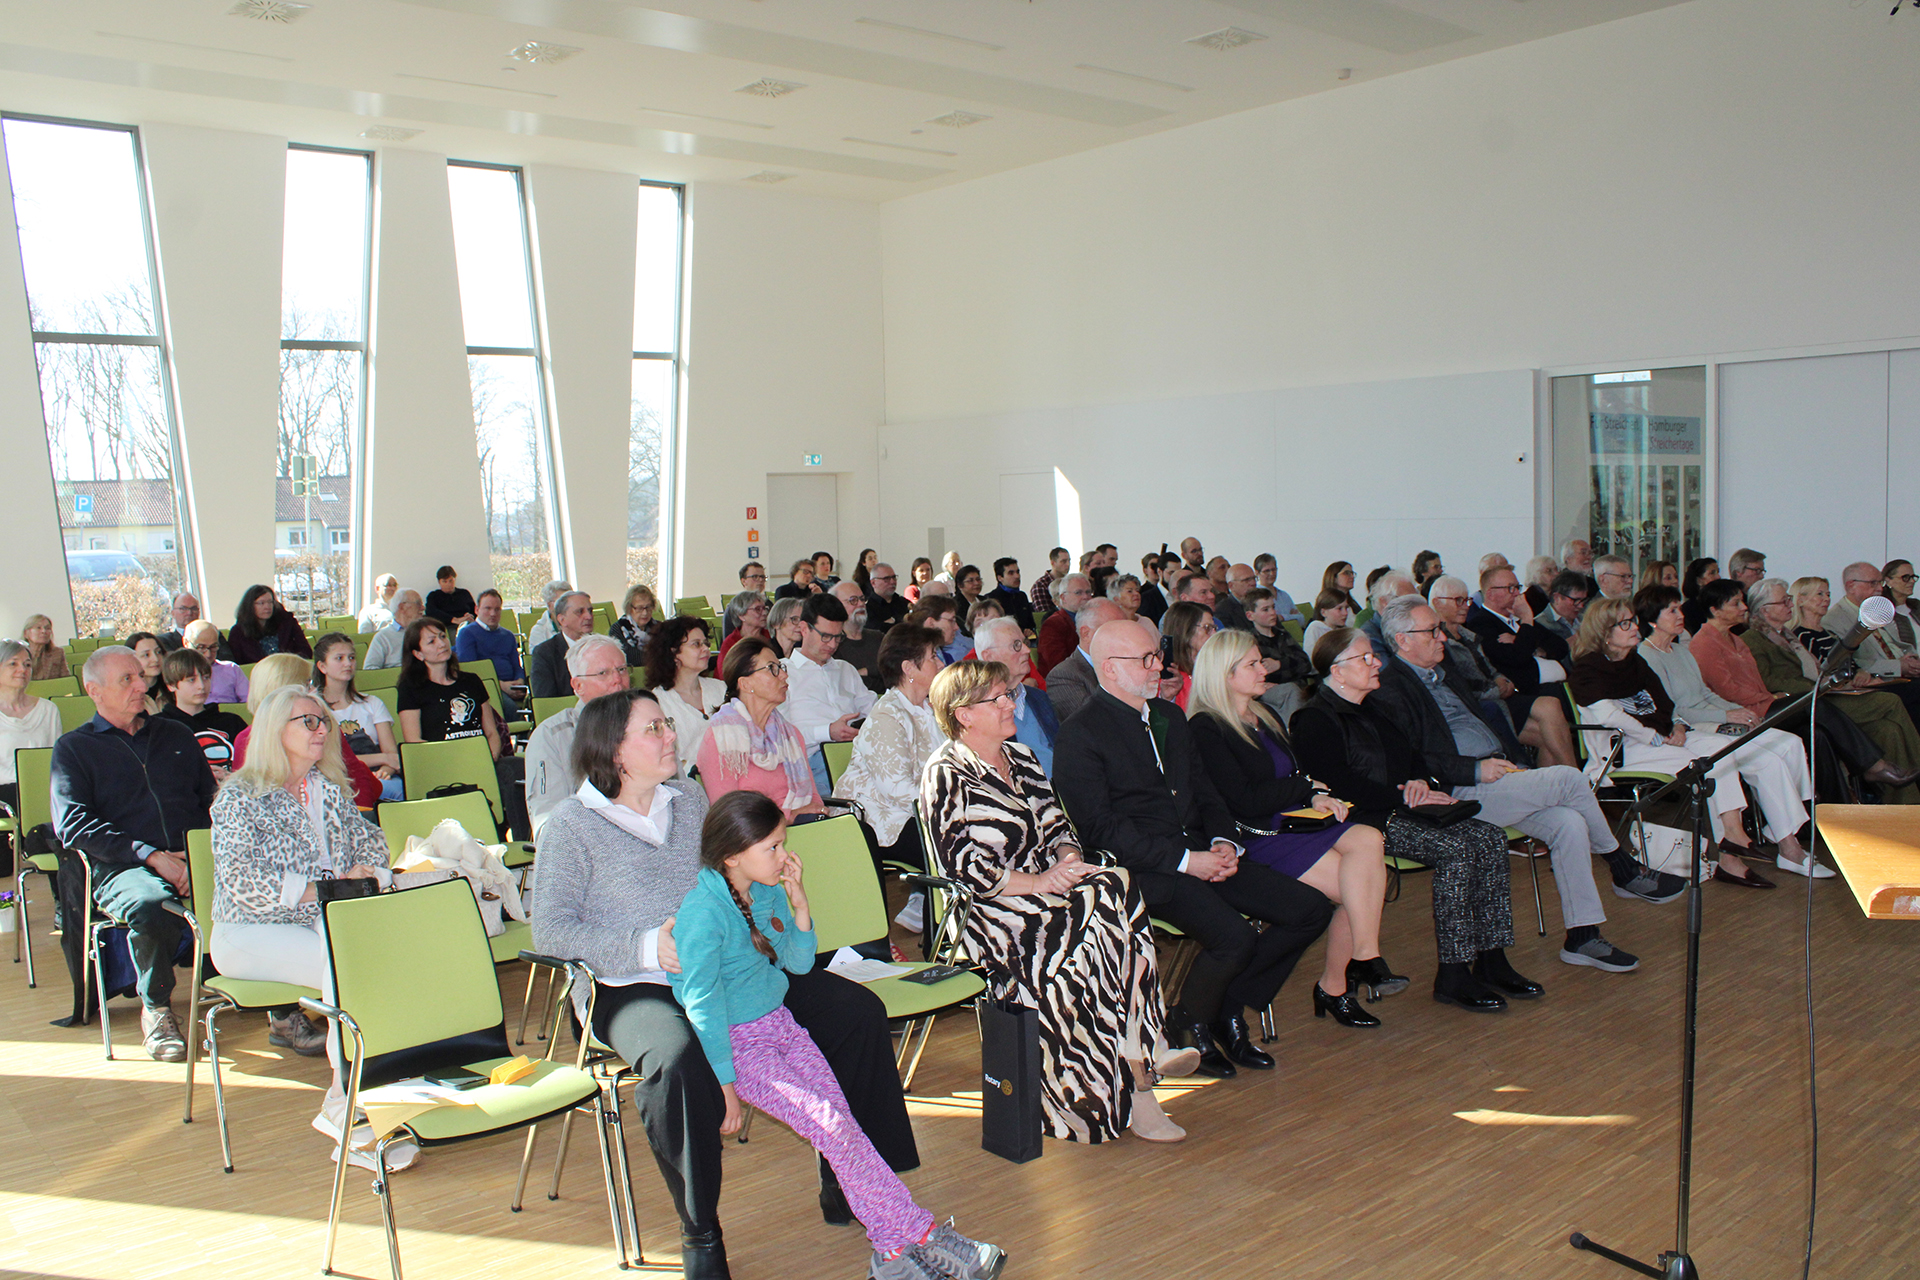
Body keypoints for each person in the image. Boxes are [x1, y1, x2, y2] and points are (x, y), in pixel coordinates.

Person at [531, 690, 922, 1279]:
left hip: (731, 964)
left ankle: (857, 1182)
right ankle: (701, 1233)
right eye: (654, 729)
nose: (670, 735)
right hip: (632, 983)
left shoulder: (688, 798)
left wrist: (780, 908)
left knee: (854, 1012)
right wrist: (645, 945)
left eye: (667, 723)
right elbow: (552, 930)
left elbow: (735, 873)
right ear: (613, 751)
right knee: (677, 1059)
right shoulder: (570, 826)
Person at [670, 791, 1003, 1279]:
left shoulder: (764, 891)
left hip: (780, 1025)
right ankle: (922, 1235)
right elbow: (700, 1005)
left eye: (783, 844)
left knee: (842, 1128)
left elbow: (798, 963)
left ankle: (892, 1254)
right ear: (732, 855)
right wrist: (724, 1084)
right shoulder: (703, 913)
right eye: (772, 848)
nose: (784, 856)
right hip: (740, 1045)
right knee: (831, 1125)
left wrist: (800, 904)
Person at [921, 660, 1199, 1142]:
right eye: (998, 698)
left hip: (1051, 892)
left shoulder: (1022, 758)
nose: (1011, 704)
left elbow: (1057, 825)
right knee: (1103, 924)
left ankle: (1140, 1061)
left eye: (1009, 694)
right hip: (994, 908)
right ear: (964, 714)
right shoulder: (945, 773)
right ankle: (1144, 1061)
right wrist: (1039, 882)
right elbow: (964, 867)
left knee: (1114, 884)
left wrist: (1067, 860)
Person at [1053, 620, 1335, 1078]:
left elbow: (1205, 791)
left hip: (1203, 851)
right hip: (1147, 869)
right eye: (1145, 659)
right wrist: (1187, 861)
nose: (1158, 666)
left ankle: (1220, 1007)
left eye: (1157, 655)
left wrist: (1224, 842)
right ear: (1109, 668)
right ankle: (1191, 1023)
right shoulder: (1080, 733)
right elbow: (1101, 829)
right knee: (1234, 938)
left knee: (1309, 909)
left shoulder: (1169, 716)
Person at [1370, 596, 1677, 969]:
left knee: (1569, 822)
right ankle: (1621, 865)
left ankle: (1582, 936)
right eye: (1432, 631)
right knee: (1569, 777)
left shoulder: (1443, 671)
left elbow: (1486, 718)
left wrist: (1509, 760)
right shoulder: (1390, 689)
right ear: (1402, 640)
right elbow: (1410, 758)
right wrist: (1474, 770)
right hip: (1456, 790)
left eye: (1439, 630)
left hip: (1496, 775)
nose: (1443, 638)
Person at [208, 684, 406, 1170]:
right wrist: (325, 887)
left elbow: (371, 843)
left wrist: (363, 872)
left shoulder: (327, 788)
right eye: (309, 722)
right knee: (346, 971)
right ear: (276, 730)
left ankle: (361, 1101)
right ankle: (350, 1109)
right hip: (247, 930)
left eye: (324, 722)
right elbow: (242, 882)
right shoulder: (240, 797)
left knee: (375, 962)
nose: (322, 730)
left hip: (320, 923)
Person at [1289, 629, 1538, 1012]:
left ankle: (1492, 959)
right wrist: (1404, 795)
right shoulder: (1313, 719)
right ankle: (1454, 972)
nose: (1376, 663)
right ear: (1337, 671)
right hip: (1361, 821)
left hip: (1401, 807)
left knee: (1489, 839)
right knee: (1457, 850)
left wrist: (1422, 782)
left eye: (1373, 656)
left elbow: (1413, 756)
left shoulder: (1376, 706)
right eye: (1365, 658)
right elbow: (1340, 785)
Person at [1186, 631, 1401, 1027]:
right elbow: (1245, 800)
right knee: (1361, 890)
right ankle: (1340, 982)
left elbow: (1297, 774)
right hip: (1258, 835)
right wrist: (1305, 788)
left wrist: (1315, 795)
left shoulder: (1262, 714)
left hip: (1292, 822)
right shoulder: (1206, 727)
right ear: (1225, 674)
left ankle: (1363, 960)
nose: (1263, 669)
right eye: (1252, 664)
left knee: (1369, 841)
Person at [1574, 595, 1817, 885]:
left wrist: (1676, 726)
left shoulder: (1634, 661)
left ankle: (1733, 837)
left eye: (1633, 620)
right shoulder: (1587, 668)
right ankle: (1731, 853)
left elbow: (1665, 703)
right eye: (1625, 624)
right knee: (1707, 763)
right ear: (1604, 633)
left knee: (1722, 751)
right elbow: (1610, 715)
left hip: (1662, 737)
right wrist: (1655, 736)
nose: (1635, 627)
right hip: (1624, 749)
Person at [52, 646, 217, 1061]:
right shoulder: (74, 748)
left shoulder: (175, 734)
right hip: (123, 865)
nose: (142, 685)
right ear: (94, 690)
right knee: (151, 903)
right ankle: (157, 1008)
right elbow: (73, 824)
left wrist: (199, 852)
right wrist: (151, 855)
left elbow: (210, 799)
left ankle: (280, 1007)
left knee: (264, 885)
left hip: (195, 854)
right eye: (127, 679)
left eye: (141, 676)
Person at [1691, 579, 1918, 803]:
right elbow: (1727, 689)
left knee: (1867, 731)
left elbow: (1756, 680)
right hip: (1749, 712)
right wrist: (1772, 696)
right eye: (1736, 603)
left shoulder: (1738, 640)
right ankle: (1874, 766)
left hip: (1769, 703)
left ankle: (1845, 804)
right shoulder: (1709, 642)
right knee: (1874, 702)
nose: (1743, 607)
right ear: (1715, 610)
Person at [833, 625, 944, 894]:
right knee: (957, 844)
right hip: (882, 818)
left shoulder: (931, 708)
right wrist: (951, 805)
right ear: (909, 668)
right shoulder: (887, 715)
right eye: (933, 656)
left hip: (921, 810)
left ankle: (927, 905)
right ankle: (933, 912)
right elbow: (897, 790)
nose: (941, 663)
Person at [395, 617, 529, 838]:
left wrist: (487, 760)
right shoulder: (411, 688)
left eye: (442, 636)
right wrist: (458, 764)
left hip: (482, 761)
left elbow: (491, 732)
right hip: (442, 766)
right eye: (431, 641)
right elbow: (414, 742)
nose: (442, 643)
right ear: (418, 654)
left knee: (517, 769)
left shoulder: (471, 681)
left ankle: (521, 841)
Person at [1464, 566, 1578, 767]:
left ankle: (1556, 784)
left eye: (1517, 587)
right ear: (1490, 593)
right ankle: (1575, 775)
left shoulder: (1517, 622)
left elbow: (1560, 647)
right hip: (1515, 695)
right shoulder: (1482, 624)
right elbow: (1518, 658)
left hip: (1542, 690)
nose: (1517, 593)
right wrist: (1526, 623)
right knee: (1552, 707)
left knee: (1549, 737)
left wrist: (1522, 638)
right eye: (1510, 588)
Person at [697, 639, 823, 818]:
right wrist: (790, 816)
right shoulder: (722, 738)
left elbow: (814, 799)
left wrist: (817, 813)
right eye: (772, 668)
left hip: (803, 826)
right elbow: (728, 815)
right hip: (753, 833)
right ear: (745, 684)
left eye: (781, 667)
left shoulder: (790, 735)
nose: (784, 675)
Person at [524, 635, 633, 836]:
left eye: (621, 669)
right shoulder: (552, 737)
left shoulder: (647, 725)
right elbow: (548, 826)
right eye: (603, 673)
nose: (617, 680)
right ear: (578, 686)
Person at [1795, 575, 1920, 729]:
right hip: (1840, 692)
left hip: (1861, 683)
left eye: (1828, 594)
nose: (1826, 599)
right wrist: (1856, 679)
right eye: (1820, 594)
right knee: (1906, 695)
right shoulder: (1803, 635)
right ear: (1800, 599)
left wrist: (1861, 672)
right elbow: (1821, 671)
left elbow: (1849, 661)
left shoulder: (1826, 633)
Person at [783, 595, 878, 798]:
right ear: (804, 628)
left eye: (838, 637)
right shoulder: (783, 673)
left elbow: (874, 711)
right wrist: (827, 732)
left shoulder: (845, 669)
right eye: (826, 636)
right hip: (811, 762)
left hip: (858, 757)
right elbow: (781, 735)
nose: (833, 644)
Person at [312, 631, 404, 802]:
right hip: (336, 777)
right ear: (322, 666)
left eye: (352, 657)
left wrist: (385, 770)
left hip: (376, 776)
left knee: (397, 790)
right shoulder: (314, 708)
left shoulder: (372, 703)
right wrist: (384, 758)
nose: (348, 663)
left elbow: (391, 754)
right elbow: (331, 759)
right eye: (339, 658)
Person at [973, 617, 1057, 772]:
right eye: (1016, 645)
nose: (1027, 650)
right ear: (989, 657)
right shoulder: (980, 712)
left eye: (1024, 642)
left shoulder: (1038, 698)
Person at [155, 648, 246, 781]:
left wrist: (233, 778)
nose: (201, 686)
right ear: (171, 685)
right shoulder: (157, 726)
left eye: (206, 678)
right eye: (191, 680)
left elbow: (255, 767)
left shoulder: (231, 722)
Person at [0, 638, 61, 815]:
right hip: (4, 792)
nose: (22, 670)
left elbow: (54, 757)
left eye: (27, 665)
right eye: (13, 664)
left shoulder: (48, 709)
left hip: (43, 788)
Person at [1045, 598, 1123, 724]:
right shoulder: (1064, 676)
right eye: (1112, 630)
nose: (1123, 637)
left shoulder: (1128, 663)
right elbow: (1094, 723)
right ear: (1086, 634)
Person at [1244, 586, 1314, 720]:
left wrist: (1279, 664)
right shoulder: (1250, 642)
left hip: (1297, 686)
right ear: (1250, 615)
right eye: (1265, 609)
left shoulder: (1282, 634)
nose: (1272, 613)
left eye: (1273, 607)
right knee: (1291, 691)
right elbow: (1262, 675)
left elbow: (1305, 664)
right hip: (1269, 692)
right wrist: (1290, 666)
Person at [454, 588, 528, 705]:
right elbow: (471, 671)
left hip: (512, 685)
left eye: (497, 609)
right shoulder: (467, 634)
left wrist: (519, 681)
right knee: (509, 707)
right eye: (487, 608)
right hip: (486, 688)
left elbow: (517, 666)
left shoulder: (508, 635)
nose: (493, 614)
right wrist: (501, 685)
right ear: (477, 610)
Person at [530, 591, 593, 700]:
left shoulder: (603, 647)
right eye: (580, 612)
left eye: (590, 611)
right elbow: (546, 700)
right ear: (562, 620)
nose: (588, 616)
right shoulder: (545, 653)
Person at [228, 584, 312, 664]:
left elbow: (306, 651)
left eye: (270, 602)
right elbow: (237, 663)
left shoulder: (287, 623)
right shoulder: (238, 632)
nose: (267, 607)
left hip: (289, 669)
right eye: (261, 603)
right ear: (250, 606)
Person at [1157, 601, 1215, 712]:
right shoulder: (1168, 677)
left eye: (1214, 628)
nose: (1214, 634)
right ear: (1185, 630)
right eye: (1207, 628)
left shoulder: (1215, 667)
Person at [830, 580, 885, 693]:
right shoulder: (832, 643)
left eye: (862, 599)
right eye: (853, 600)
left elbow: (895, 670)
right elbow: (844, 684)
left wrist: (866, 671)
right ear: (837, 606)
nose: (860, 604)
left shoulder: (878, 637)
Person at [1036, 573, 1093, 675]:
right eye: (1078, 592)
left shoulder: (1094, 619)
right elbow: (1058, 665)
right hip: (1065, 679)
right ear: (1063, 597)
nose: (1086, 597)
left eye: (1088, 592)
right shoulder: (1053, 625)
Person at [362, 589, 423, 670]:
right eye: (418, 604)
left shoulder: (426, 633)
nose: (423, 608)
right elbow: (369, 669)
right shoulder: (383, 637)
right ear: (402, 607)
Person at [718, 590, 769, 667]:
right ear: (741, 615)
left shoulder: (769, 636)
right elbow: (725, 671)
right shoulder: (731, 643)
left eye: (764, 608)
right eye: (757, 609)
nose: (765, 613)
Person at [609, 584, 657, 668]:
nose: (645, 613)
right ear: (629, 608)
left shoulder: (659, 627)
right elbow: (628, 657)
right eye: (639, 608)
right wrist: (658, 656)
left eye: (648, 607)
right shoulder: (618, 629)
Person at [983, 558, 1034, 633]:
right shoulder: (991, 599)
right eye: (1011, 573)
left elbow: (1031, 623)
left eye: (1018, 572)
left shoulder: (1021, 596)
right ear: (1000, 578)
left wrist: (1029, 631)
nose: (1017, 576)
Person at [1536, 571, 1592, 640]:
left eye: (1583, 600)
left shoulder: (1586, 619)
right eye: (1576, 601)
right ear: (1557, 597)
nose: (1581, 606)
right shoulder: (1540, 626)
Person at [1252, 554, 1304, 625]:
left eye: (1274, 569)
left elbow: (1302, 620)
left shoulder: (1284, 595)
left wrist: (1282, 617)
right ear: (1257, 573)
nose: (1272, 573)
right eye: (1267, 571)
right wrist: (1292, 617)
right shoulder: (1256, 596)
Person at [525, 579, 573, 650]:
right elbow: (539, 656)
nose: (569, 605)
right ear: (550, 605)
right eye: (563, 601)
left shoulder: (579, 623)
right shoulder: (539, 631)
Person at [1302, 589, 1353, 655]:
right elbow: (1310, 656)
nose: (1345, 613)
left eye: (1346, 608)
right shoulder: (1315, 629)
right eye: (1339, 609)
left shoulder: (1346, 630)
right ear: (1323, 612)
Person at [125, 631, 166, 713]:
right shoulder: (127, 696)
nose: (155, 659)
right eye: (146, 655)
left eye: (158, 652)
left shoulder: (173, 688)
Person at [1679, 557, 1721, 634]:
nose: (1718, 577)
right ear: (1699, 580)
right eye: (1712, 573)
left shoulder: (1721, 602)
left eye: (1718, 572)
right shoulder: (1689, 609)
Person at [864, 562, 910, 631]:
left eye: (894, 577)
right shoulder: (867, 609)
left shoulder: (904, 602)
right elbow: (876, 631)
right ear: (873, 583)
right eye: (887, 579)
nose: (892, 582)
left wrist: (893, 621)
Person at [23, 613, 68, 681]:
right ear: (26, 633)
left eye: (47, 628)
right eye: (38, 628)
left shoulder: (57, 653)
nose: (44, 631)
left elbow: (66, 679)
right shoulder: (19, 655)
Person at [1214, 563, 1257, 632]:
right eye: (1246, 580)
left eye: (1254, 578)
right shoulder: (1223, 611)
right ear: (1231, 585)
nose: (1253, 583)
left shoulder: (1260, 602)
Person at [1031, 547, 1070, 620]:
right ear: (1053, 563)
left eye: (1069, 561)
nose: (1068, 564)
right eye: (1063, 561)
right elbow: (1044, 614)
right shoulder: (1041, 585)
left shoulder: (1071, 582)